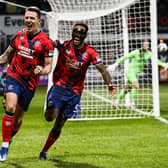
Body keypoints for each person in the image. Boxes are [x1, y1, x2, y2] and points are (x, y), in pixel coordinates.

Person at [39, 23, 115, 160]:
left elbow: (103, 69)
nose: (77, 35)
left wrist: (109, 83)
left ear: (84, 36)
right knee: (50, 117)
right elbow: (49, 43)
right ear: (72, 33)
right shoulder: (64, 45)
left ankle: (44, 151)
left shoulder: (90, 52)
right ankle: (51, 102)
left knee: (60, 123)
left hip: (75, 92)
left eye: (80, 33)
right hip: (59, 86)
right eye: (75, 32)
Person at [0, 6, 53, 162]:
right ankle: (3, 146)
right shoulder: (18, 37)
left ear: (38, 21)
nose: (28, 20)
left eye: (32, 18)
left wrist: (41, 70)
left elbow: (48, 66)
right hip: (13, 76)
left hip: (29, 84)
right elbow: (5, 57)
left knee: (17, 121)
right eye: (27, 17)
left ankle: (8, 140)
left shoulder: (46, 42)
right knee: (10, 107)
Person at [108, 39, 168, 110]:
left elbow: (155, 60)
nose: (147, 45)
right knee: (135, 85)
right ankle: (132, 104)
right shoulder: (135, 52)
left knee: (127, 88)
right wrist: (116, 64)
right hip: (130, 72)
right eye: (145, 44)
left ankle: (116, 102)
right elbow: (124, 57)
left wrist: (163, 64)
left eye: (148, 44)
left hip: (136, 74)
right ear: (142, 45)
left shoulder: (149, 53)